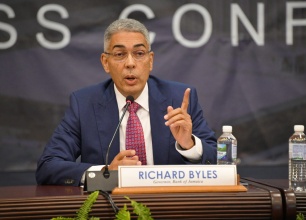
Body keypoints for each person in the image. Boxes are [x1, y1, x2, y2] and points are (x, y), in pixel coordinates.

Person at [36, 18, 217, 186]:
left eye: (139, 53)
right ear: (105, 62)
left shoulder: (179, 99)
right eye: (120, 54)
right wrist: (105, 174)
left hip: (170, 207)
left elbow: (220, 159)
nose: (130, 63)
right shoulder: (84, 104)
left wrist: (190, 145)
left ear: (150, 60)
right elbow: (48, 166)